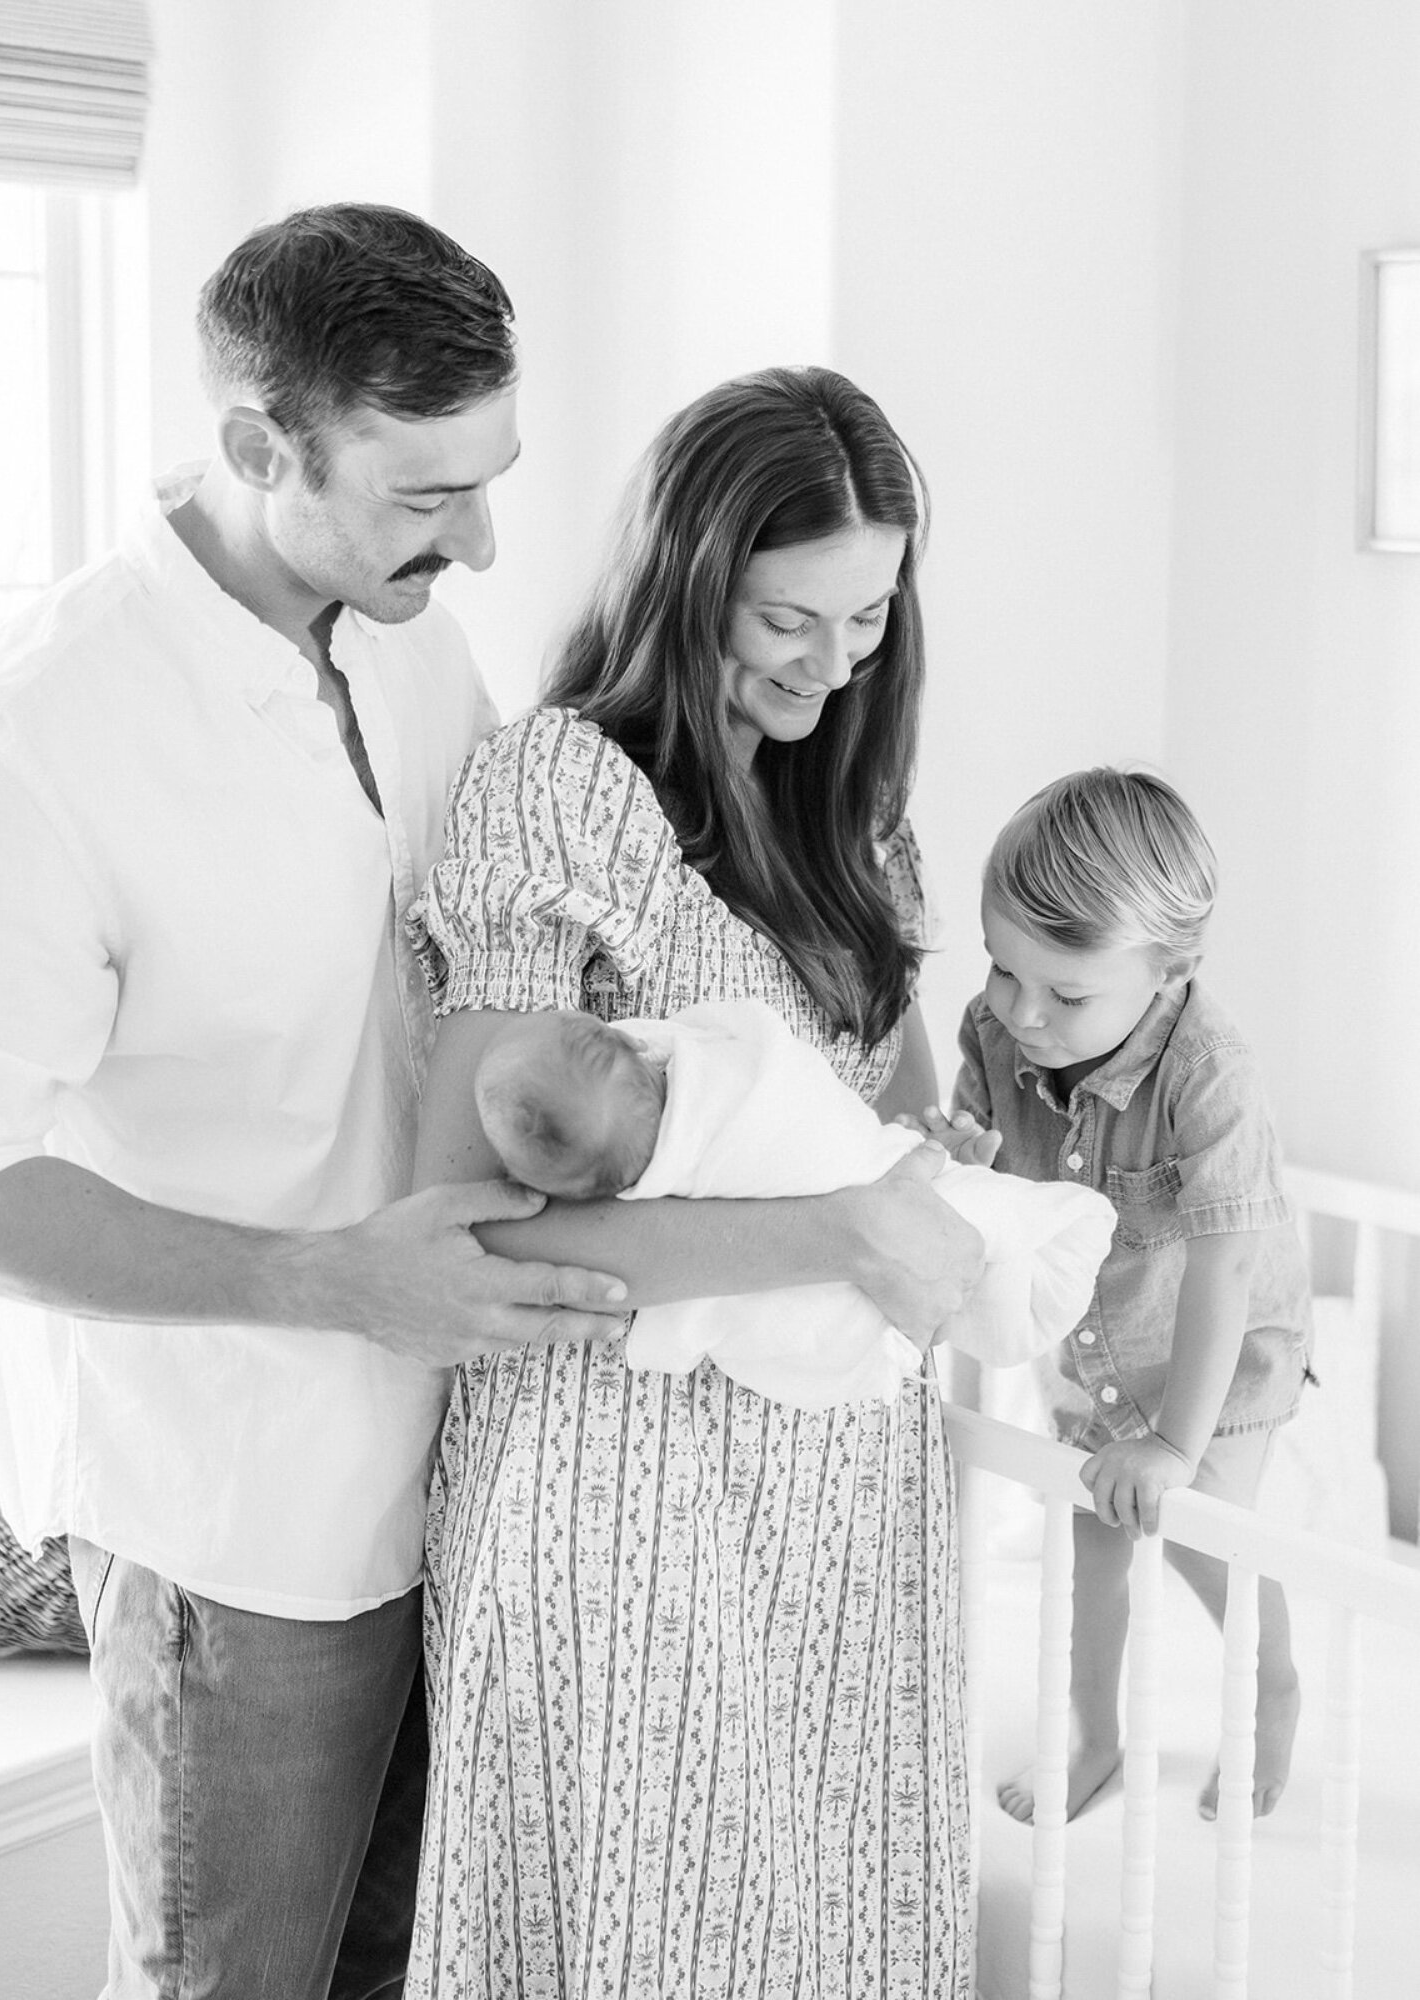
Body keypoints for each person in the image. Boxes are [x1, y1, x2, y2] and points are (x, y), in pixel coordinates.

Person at [0, 204, 644, 2000]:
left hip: (464, 1467)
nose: (477, 542)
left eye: (491, 481)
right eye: (423, 495)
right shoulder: (35, 739)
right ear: (260, 449)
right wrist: (327, 1283)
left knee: (413, 1964)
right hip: (239, 1522)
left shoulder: (411, 639)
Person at [403, 365, 984, 1997]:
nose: (832, 662)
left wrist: (949, 1186)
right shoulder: (567, 787)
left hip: (843, 1494)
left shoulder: (857, 832)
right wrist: (843, 1230)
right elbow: (475, 1219)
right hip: (621, 1480)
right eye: (786, 618)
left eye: (868, 617)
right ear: (686, 579)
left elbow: (904, 1137)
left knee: (828, 1938)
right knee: (654, 1940)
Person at [945, 768, 1312, 1825]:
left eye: (1064, 995)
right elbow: (997, 1191)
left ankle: (1271, 1688)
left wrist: (1175, 1444)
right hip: (1100, 1341)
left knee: (1203, 1534)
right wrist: (960, 1162)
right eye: (1003, 971)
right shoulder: (996, 1027)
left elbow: (1227, 1270)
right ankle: (1094, 1735)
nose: (1022, 1014)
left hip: (1222, 1351)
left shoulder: (1208, 1071)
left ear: (1170, 968)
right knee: (1088, 1549)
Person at [475, 997, 1118, 1404]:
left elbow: (837, 1124)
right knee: (1028, 1240)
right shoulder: (720, 1072)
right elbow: (486, 1232)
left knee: (974, 1247)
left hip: (893, 1211)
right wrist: (862, 1222)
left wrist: (917, 1149)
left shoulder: (877, 852)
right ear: (638, 1045)